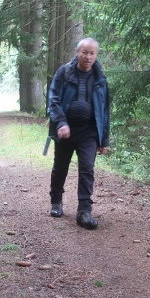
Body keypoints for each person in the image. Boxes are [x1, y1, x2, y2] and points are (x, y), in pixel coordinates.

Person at [47, 37, 111, 230]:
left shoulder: (100, 79)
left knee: (87, 168)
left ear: (96, 55)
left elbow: (104, 110)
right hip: (66, 130)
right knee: (60, 167)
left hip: (89, 132)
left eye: (92, 53)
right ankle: (56, 201)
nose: (88, 56)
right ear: (77, 52)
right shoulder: (64, 72)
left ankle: (84, 211)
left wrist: (104, 139)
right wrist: (61, 122)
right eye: (84, 52)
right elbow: (53, 99)